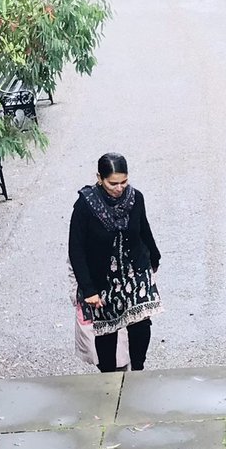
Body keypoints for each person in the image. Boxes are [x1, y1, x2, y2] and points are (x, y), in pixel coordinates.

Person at [68, 152, 162, 373]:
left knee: (140, 324)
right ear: (99, 178)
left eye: (124, 182)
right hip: (103, 278)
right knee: (107, 330)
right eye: (113, 183)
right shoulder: (85, 205)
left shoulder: (135, 197)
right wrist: (88, 288)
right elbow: (76, 249)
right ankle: (109, 377)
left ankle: (138, 369)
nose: (119, 188)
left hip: (134, 271)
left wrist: (154, 259)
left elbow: (143, 230)